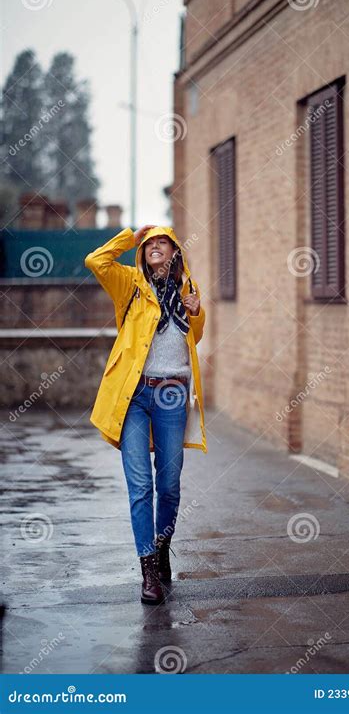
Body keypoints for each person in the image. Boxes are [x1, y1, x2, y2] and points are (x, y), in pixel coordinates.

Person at [84, 224, 207, 605]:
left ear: (174, 252)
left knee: (169, 484)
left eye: (163, 243)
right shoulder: (130, 284)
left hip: (173, 391)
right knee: (140, 487)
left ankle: (163, 544)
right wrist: (130, 237)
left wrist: (197, 312)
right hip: (134, 394)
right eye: (150, 243)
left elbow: (195, 337)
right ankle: (148, 569)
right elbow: (95, 260)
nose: (156, 247)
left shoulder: (189, 288)